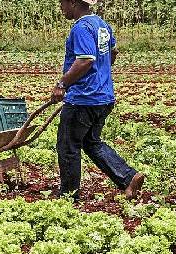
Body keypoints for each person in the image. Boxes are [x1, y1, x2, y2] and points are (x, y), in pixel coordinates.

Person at [51, 0, 144, 201]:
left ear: (74, 2)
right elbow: (112, 53)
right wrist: (100, 74)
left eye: (62, 3)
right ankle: (128, 177)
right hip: (103, 97)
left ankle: (68, 197)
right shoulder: (102, 25)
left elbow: (85, 60)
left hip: (83, 99)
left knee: (68, 146)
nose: (61, 7)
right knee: (91, 142)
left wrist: (62, 84)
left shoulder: (81, 27)